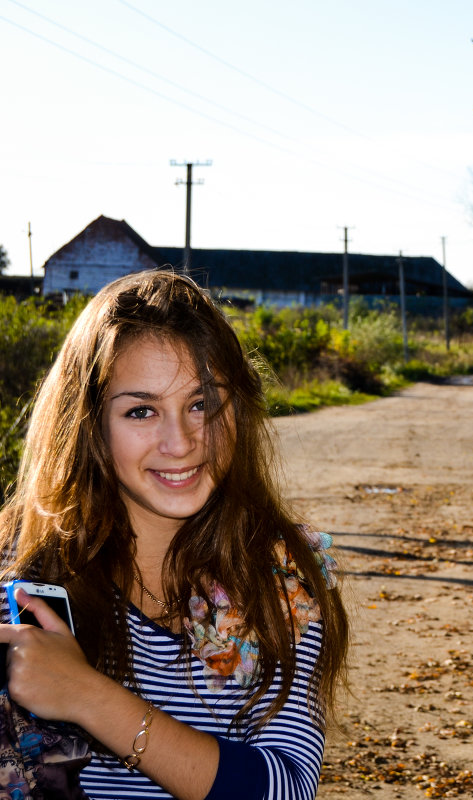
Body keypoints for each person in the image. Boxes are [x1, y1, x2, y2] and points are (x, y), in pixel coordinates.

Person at [0, 270, 350, 799]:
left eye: (201, 403)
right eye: (142, 410)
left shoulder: (281, 578)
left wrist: (89, 697)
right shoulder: (22, 579)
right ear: (89, 424)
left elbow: (287, 786)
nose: (181, 441)